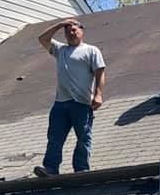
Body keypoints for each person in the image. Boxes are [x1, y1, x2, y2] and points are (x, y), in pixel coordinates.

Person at [33, 18, 106, 177]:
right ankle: (51, 168)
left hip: (81, 102)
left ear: (81, 31)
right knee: (55, 137)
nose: (71, 33)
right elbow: (42, 38)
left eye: (74, 30)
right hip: (61, 103)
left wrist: (99, 94)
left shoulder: (91, 50)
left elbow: (100, 73)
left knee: (83, 137)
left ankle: (81, 169)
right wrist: (60, 24)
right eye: (67, 31)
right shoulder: (60, 50)